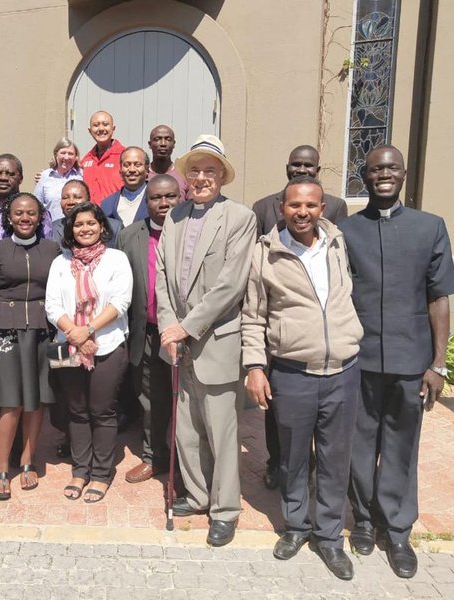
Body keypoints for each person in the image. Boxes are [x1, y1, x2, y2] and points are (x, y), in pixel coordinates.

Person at [340, 145, 454, 579]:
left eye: (390, 168)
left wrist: (439, 363)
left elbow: (438, 297)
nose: (382, 175)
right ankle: (365, 522)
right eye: (374, 170)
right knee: (358, 444)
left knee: (401, 449)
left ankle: (398, 530)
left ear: (403, 174)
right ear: (364, 177)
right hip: (359, 360)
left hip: (412, 361)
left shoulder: (430, 228)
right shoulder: (347, 231)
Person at [242, 175, 363, 580]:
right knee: (293, 459)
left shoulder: (338, 242)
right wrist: (255, 367)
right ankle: (296, 527)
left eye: (311, 205)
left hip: (343, 371)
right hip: (292, 373)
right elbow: (253, 315)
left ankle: (329, 537)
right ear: (282, 207)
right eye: (295, 205)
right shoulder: (266, 253)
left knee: (334, 459)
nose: (302, 212)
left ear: (322, 209)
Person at [156, 134, 256, 547]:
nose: (201, 178)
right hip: (178, 342)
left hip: (216, 340)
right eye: (194, 170)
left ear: (221, 176)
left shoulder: (239, 217)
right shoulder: (175, 217)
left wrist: (186, 325)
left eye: (209, 171)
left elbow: (230, 285)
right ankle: (197, 495)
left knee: (221, 430)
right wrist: (168, 326)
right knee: (188, 429)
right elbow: (161, 276)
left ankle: (225, 508)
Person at [251, 144, 348, 490]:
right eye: (296, 164)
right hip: (277, 324)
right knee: (276, 405)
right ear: (287, 166)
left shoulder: (336, 206)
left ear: (318, 170)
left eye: (308, 165)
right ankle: (278, 462)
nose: (301, 169)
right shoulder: (263, 206)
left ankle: (312, 467)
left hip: (320, 330)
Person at [0, 193, 60, 500]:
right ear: (9, 217)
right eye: (19, 213)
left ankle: (28, 461)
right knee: (10, 403)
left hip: (39, 333)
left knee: (34, 403)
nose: (25, 218)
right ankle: (1, 467)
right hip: (4, 333)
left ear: (40, 217)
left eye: (31, 213)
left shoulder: (52, 250)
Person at [45, 202, 132, 503]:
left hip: (108, 345)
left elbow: (120, 303)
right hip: (65, 345)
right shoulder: (61, 262)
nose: (85, 229)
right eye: (78, 224)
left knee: (102, 411)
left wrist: (88, 331)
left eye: (90, 223)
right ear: (70, 229)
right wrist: (76, 335)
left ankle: (101, 473)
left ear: (101, 226)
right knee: (76, 410)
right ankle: (80, 470)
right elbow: (52, 305)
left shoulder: (117, 259)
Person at [116, 174, 180, 484]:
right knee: (150, 400)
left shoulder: (189, 232)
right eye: (156, 197)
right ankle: (154, 456)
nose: (163, 203)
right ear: (146, 201)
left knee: (187, 402)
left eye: (170, 196)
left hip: (184, 335)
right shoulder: (129, 237)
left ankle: (187, 463)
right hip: (147, 333)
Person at [0, 154, 53, 242]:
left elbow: (46, 249)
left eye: (10, 174)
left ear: (21, 178)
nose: (3, 178)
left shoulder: (39, 213)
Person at [50, 179, 122, 249]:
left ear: (88, 200)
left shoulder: (115, 227)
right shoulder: (52, 229)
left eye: (77, 197)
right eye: (65, 198)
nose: (70, 202)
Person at [33, 137, 84, 222]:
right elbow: (36, 204)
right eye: (63, 153)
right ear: (56, 154)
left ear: (76, 157)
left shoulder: (82, 175)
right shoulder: (45, 176)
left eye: (71, 154)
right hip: (52, 229)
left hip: (77, 227)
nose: (66, 157)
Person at [80, 111, 125, 204]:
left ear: (113, 128)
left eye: (105, 124)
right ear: (90, 131)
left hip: (116, 215)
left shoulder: (124, 156)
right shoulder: (86, 160)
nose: (101, 128)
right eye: (96, 125)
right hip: (92, 215)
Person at [101, 146, 150, 227]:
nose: (132, 170)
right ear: (120, 170)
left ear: (147, 170)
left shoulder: (157, 200)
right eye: (126, 165)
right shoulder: (107, 204)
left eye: (137, 165)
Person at [147, 125, 188, 200]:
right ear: (150, 144)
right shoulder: (143, 175)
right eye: (157, 139)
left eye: (168, 139)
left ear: (174, 144)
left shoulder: (183, 174)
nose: (163, 144)